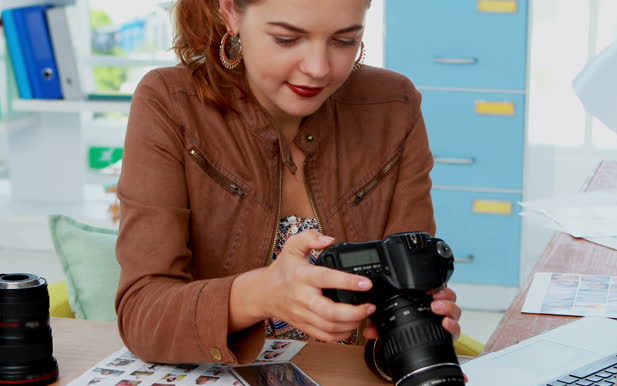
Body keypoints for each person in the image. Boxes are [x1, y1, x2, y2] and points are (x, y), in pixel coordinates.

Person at [115, 0, 462, 365]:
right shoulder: (170, 103)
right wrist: (262, 294)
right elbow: (142, 313)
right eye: (286, 39)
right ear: (231, 13)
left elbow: (403, 295)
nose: (318, 69)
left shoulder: (394, 104)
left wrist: (414, 332)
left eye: (344, 41)